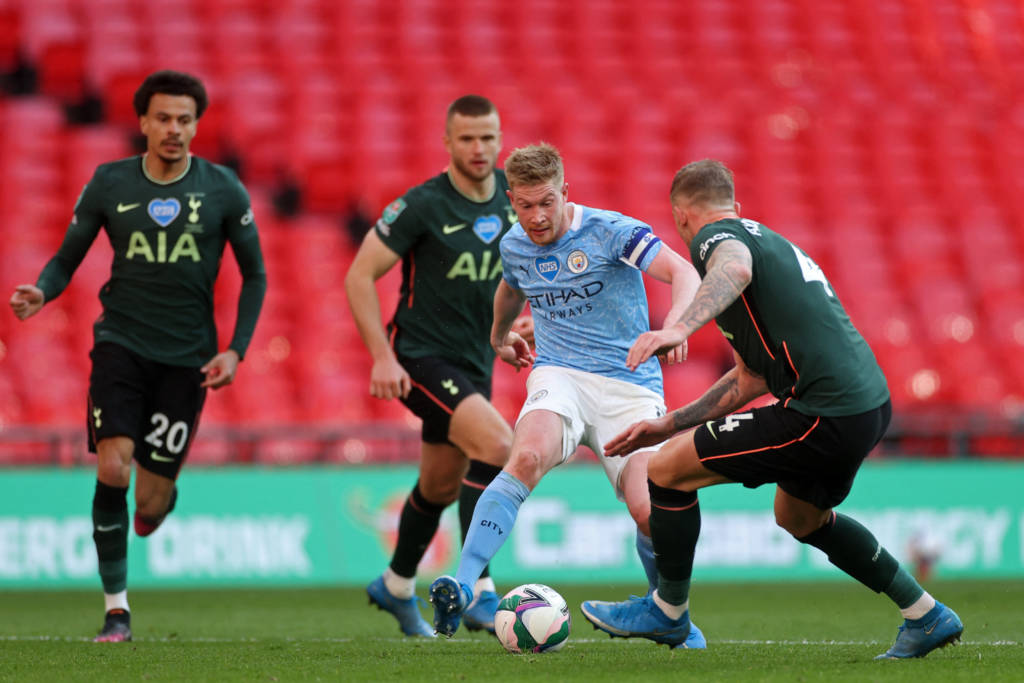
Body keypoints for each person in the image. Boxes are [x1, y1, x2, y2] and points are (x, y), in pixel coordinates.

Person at [580, 159, 963, 658]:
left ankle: (668, 612)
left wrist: (679, 328)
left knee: (666, 470)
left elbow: (734, 268)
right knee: (799, 517)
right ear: (735, 205)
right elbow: (750, 378)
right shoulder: (769, 241)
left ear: (681, 215)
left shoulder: (714, 238)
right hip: (866, 406)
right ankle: (926, 614)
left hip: (822, 412)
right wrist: (668, 423)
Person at [8, 70, 267, 643]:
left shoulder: (223, 189)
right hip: (120, 345)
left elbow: (255, 274)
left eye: (184, 120)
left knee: (149, 501)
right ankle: (117, 611)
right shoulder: (110, 182)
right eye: (163, 118)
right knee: (112, 466)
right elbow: (68, 257)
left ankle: (159, 502)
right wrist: (43, 291)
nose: (174, 129)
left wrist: (236, 350)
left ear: (196, 126)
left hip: (188, 359)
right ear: (144, 122)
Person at [428, 142, 705, 646]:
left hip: (629, 384)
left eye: (546, 202)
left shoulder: (611, 231)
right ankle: (465, 585)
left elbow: (682, 272)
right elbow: (511, 287)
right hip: (561, 375)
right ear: (511, 200)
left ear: (565, 193)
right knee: (526, 455)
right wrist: (499, 336)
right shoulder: (515, 245)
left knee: (649, 509)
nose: (536, 217)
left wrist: (677, 327)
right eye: (525, 205)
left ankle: (668, 611)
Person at [344, 95, 531, 638]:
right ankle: (478, 588)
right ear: (447, 141)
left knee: (440, 485)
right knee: (498, 446)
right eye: (467, 138)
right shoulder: (423, 205)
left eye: (488, 137)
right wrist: (382, 357)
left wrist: (511, 328)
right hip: (418, 358)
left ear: (500, 140)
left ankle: (396, 585)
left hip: (475, 360)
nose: (479, 148)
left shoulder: (514, 201)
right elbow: (359, 276)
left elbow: (524, 274)